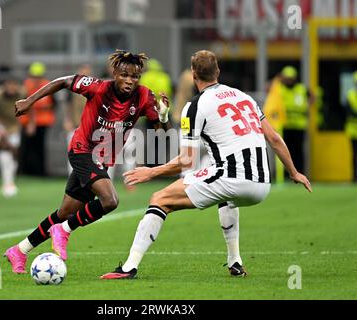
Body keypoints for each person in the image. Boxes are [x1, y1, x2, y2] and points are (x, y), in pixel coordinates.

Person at [100, 50, 312, 280]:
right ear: (217, 71)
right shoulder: (245, 98)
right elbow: (275, 139)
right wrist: (294, 172)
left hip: (233, 177)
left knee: (159, 199)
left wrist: (151, 171)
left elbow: (186, 161)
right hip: (262, 183)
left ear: (193, 75)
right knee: (225, 195)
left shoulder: (195, 106)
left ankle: (129, 267)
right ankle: (235, 262)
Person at [4, 50, 172, 274]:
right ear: (115, 73)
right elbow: (63, 81)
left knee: (65, 211)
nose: (130, 81)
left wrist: (163, 116)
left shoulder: (143, 97)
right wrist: (30, 101)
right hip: (82, 151)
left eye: (134, 77)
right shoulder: (98, 87)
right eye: (125, 75)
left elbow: (162, 135)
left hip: (102, 160)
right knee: (110, 200)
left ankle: (19, 250)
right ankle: (63, 231)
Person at [0, 74, 26, 197]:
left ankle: (10, 181)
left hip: (14, 126)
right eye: (8, 84)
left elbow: (28, 110)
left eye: (13, 84)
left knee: (14, 152)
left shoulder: (22, 93)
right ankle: (6, 182)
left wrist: (28, 124)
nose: (10, 87)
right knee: (4, 149)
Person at [19, 62, 55, 176]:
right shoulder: (26, 86)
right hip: (27, 122)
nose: (36, 79)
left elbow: (54, 104)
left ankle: (40, 172)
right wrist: (30, 123)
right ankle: (24, 171)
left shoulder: (48, 85)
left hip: (43, 122)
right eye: (34, 76)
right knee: (26, 148)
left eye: (38, 76)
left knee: (40, 148)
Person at [278, 66, 314, 175]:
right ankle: (287, 174)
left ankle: (300, 173)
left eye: (291, 78)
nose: (289, 80)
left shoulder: (302, 88)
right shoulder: (280, 89)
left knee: (299, 152)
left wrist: (308, 106)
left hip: (299, 126)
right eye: (287, 78)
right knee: (285, 151)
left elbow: (312, 96)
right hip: (286, 125)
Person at [345, 71, 357, 182]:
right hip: (353, 130)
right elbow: (349, 112)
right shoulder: (350, 95)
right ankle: (355, 177)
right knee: (354, 155)